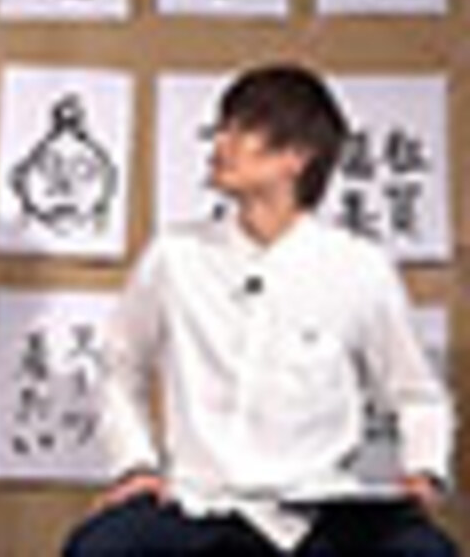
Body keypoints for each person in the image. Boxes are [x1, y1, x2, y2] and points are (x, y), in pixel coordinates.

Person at [64, 65, 456, 556]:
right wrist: (136, 466)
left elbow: (417, 393)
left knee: (422, 552)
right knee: (100, 547)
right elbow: (121, 368)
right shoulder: (176, 256)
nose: (221, 143)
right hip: (200, 503)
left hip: (318, 506)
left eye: (244, 130)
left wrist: (424, 470)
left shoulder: (357, 267)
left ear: (296, 157)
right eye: (223, 127)